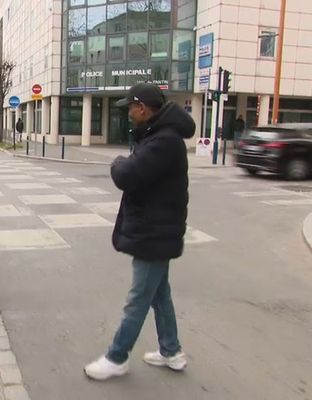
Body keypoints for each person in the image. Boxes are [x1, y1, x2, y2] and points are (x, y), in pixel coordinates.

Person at [84, 83, 195, 380]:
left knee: (138, 298)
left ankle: (116, 357)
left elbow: (128, 174)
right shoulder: (158, 136)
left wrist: (118, 161)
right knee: (159, 294)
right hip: (157, 230)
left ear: (142, 108)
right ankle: (171, 351)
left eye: (130, 107)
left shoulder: (164, 141)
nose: (129, 113)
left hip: (154, 233)